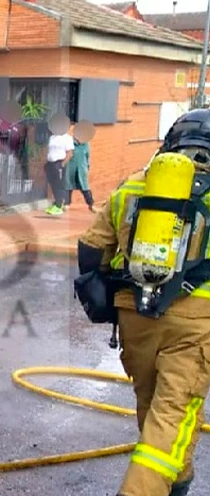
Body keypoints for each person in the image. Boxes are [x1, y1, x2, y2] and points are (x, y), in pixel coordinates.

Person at [77, 109, 210, 496]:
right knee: (171, 418)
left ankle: (177, 485)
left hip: (136, 319)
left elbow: (90, 250)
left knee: (155, 414)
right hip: (195, 329)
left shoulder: (136, 186)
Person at [44, 114, 75, 216]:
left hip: (59, 163)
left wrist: (62, 165)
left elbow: (70, 153)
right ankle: (56, 203)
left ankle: (59, 206)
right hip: (50, 163)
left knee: (59, 184)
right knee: (53, 184)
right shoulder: (52, 137)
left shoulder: (67, 138)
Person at [65, 121, 96, 212]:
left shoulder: (86, 145)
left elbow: (87, 157)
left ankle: (91, 205)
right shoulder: (69, 142)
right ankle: (67, 204)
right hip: (70, 168)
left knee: (85, 187)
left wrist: (87, 168)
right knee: (68, 186)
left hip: (81, 169)